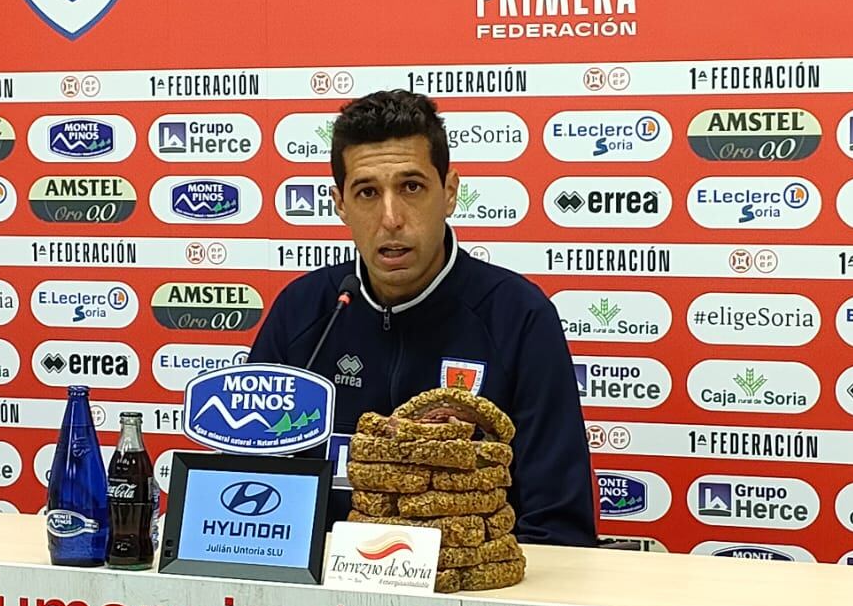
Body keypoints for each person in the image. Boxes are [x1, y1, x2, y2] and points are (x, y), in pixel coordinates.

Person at [249, 89, 598, 547]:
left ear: (449, 192)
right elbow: (242, 499)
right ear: (339, 204)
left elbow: (557, 528)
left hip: (475, 604)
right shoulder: (304, 311)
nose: (391, 218)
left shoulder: (519, 316)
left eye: (411, 187)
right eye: (368, 193)